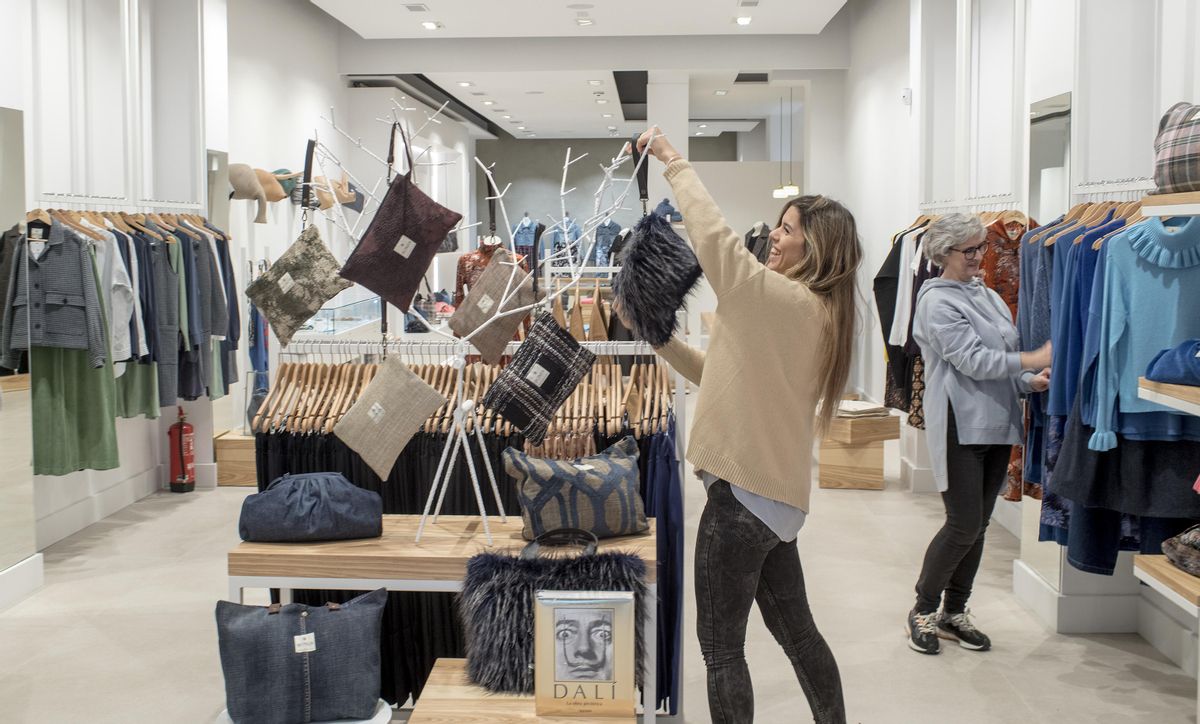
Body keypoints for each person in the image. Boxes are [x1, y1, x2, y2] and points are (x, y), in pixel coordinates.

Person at [621, 126, 860, 724]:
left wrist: (674, 163)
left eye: (786, 230)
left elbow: (717, 244)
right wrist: (661, 340)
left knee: (722, 651)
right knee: (799, 636)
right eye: (777, 226)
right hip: (773, 504)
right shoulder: (813, 311)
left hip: (742, 504)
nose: (774, 237)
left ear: (817, 249)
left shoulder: (783, 301)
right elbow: (722, 374)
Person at [906, 213, 1051, 655]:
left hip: (997, 418)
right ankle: (923, 610)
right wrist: (1029, 360)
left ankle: (955, 610)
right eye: (968, 250)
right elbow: (972, 361)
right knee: (962, 523)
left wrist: (1028, 382)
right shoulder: (935, 303)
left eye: (980, 248)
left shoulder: (985, 295)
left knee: (979, 524)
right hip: (959, 423)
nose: (978, 257)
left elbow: (1000, 357)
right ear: (942, 253)